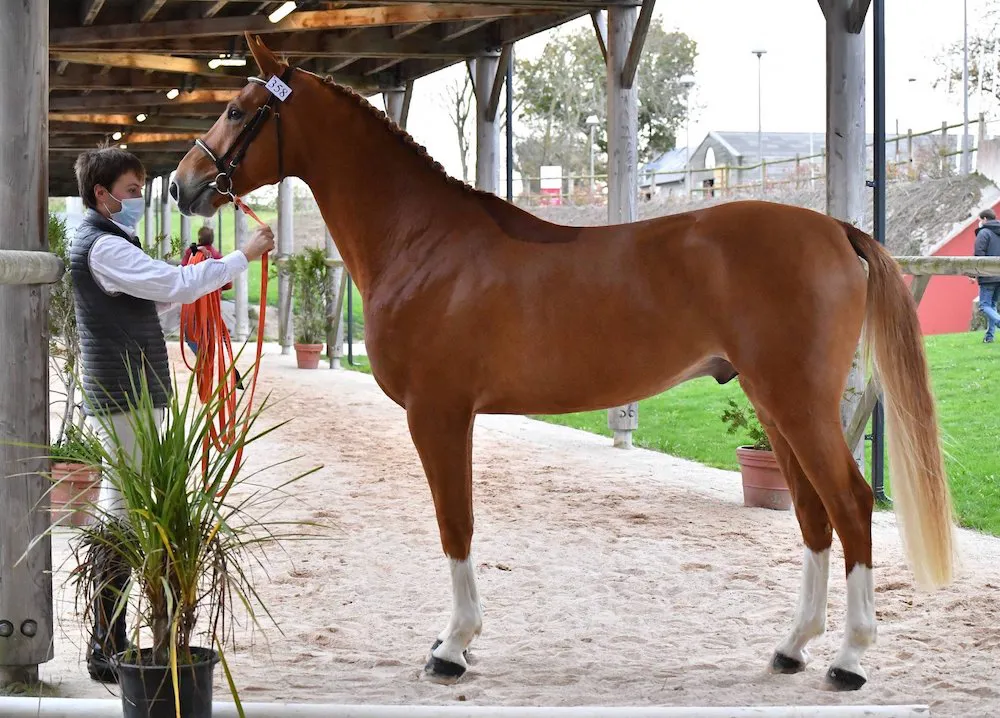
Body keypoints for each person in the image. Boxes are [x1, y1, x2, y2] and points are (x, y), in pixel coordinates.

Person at [70, 146, 275, 683]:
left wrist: (198, 279)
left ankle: (108, 639)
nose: (138, 200)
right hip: (123, 394)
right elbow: (170, 287)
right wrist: (241, 256)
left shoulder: (110, 241)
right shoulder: (103, 247)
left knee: (124, 507)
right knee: (123, 511)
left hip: (127, 393)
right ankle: (105, 642)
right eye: (133, 191)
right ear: (102, 194)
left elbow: (154, 298)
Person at [974, 208, 1000, 343]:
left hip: (988, 276)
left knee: (984, 305)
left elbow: (979, 254)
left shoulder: (984, 233)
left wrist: (974, 273)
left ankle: (999, 322)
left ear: (984, 219)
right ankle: (989, 336)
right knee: (993, 304)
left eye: (979, 220)